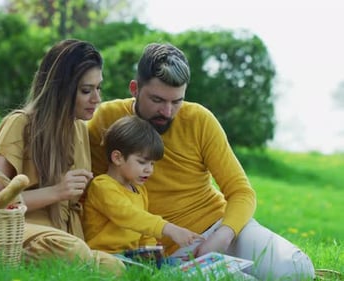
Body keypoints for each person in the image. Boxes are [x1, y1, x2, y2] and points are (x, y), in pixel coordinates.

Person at [87, 42, 315, 280]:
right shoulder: (107, 119)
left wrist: (223, 235)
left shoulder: (199, 120)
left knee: (297, 269)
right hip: (173, 253)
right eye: (157, 100)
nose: (167, 111)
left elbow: (241, 192)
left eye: (176, 101)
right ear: (134, 88)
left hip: (221, 228)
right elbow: (90, 186)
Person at [0, 39, 124, 274]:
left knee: (114, 266)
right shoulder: (20, 124)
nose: (96, 99)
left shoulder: (79, 130)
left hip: (65, 238)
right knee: (71, 251)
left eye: (99, 88)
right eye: (86, 90)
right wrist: (56, 192)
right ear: (61, 89)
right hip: (18, 230)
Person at [82, 115, 203, 255]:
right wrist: (168, 228)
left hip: (130, 256)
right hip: (103, 255)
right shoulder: (102, 186)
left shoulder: (139, 190)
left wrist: (153, 254)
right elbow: (129, 216)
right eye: (142, 162)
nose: (149, 170)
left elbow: (144, 231)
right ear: (117, 158)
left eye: (152, 163)